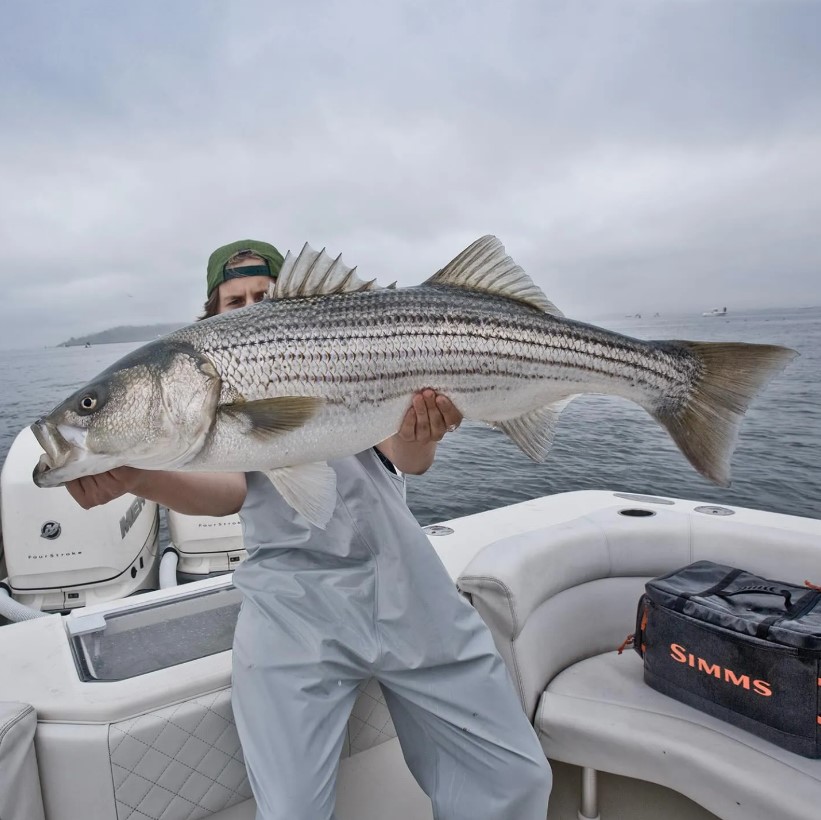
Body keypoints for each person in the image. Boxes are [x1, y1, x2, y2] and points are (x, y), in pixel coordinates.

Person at [66, 239, 552, 820]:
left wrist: (422, 428)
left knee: (512, 776)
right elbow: (229, 492)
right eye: (234, 301)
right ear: (211, 316)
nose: (249, 308)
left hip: (405, 586)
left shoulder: (341, 349)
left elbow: (407, 457)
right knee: (290, 809)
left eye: (262, 295)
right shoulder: (209, 407)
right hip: (292, 605)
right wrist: (135, 477)